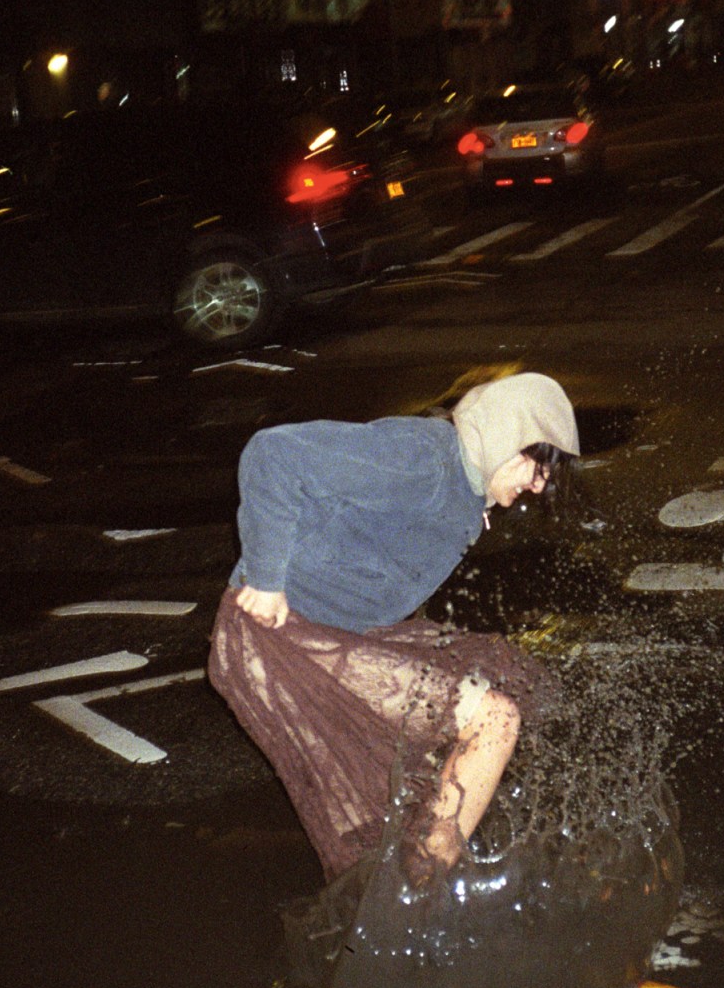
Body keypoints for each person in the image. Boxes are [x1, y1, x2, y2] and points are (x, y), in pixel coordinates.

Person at [208, 372, 578, 891]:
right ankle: (425, 899)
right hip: (277, 636)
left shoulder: (468, 487)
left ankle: (388, 916)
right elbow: (272, 455)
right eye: (534, 465)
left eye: (545, 476)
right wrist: (266, 579)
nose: (536, 485)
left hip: (333, 635)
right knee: (494, 720)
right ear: (500, 434)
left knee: (371, 813)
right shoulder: (423, 458)